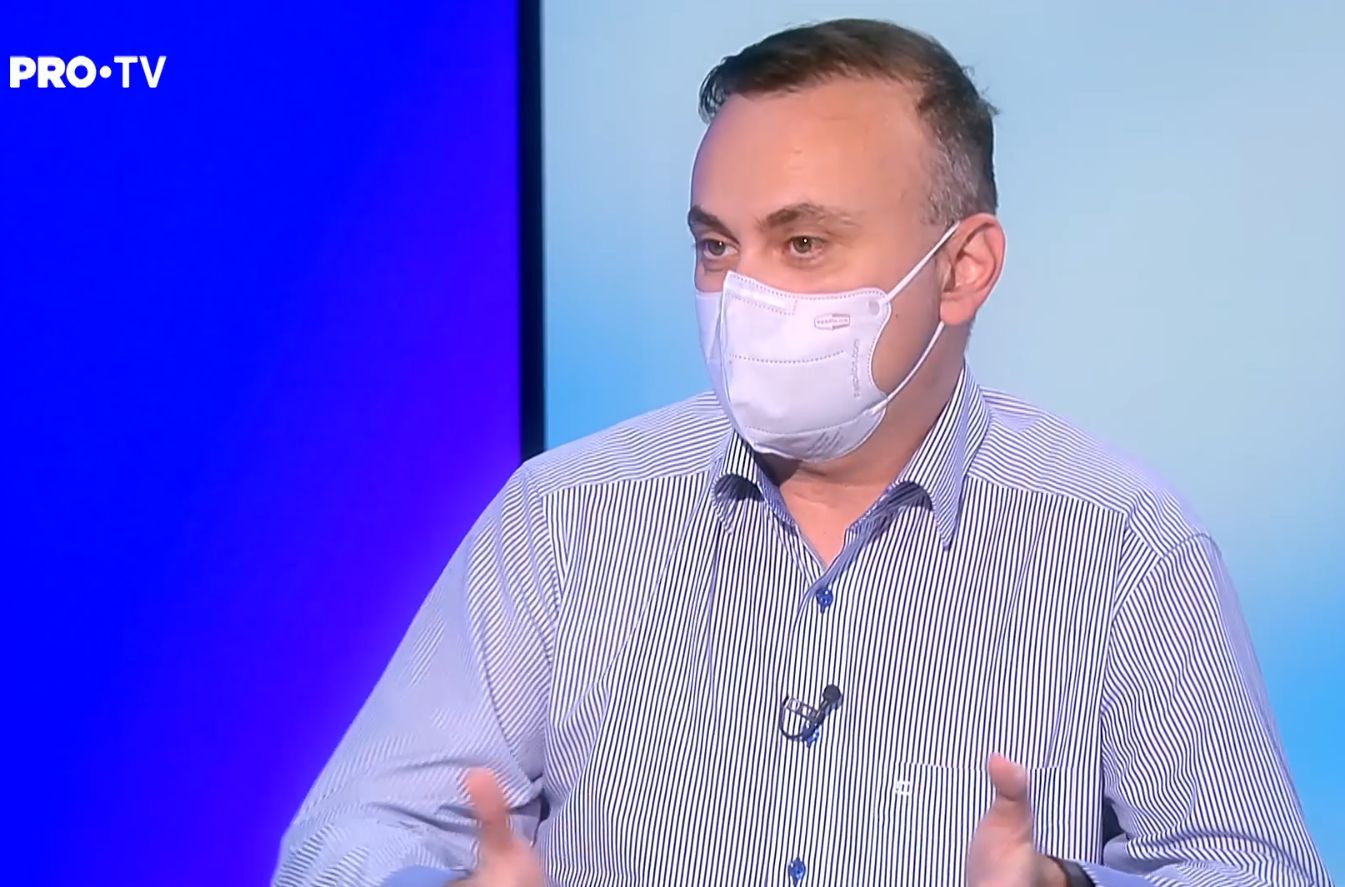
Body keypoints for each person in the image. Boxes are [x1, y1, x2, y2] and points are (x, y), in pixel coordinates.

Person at [273, 18, 1332, 887]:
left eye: (804, 244)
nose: (744, 297)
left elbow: (1253, 869)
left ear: (963, 268)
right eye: (716, 246)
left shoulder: (1120, 541)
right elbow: (344, 838)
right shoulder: (564, 514)